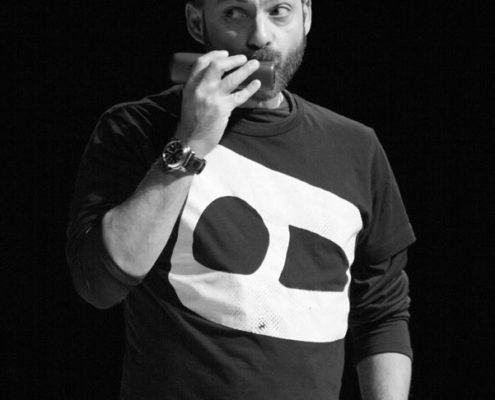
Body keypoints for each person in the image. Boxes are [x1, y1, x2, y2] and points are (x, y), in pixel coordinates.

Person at [67, 0, 415, 399]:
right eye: (235, 12)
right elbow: (100, 284)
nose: (260, 36)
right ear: (197, 22)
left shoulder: (356, 148)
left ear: (306, 16)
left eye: (279, 11)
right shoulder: (137, 129)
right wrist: (192, 140)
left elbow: (382, 313)